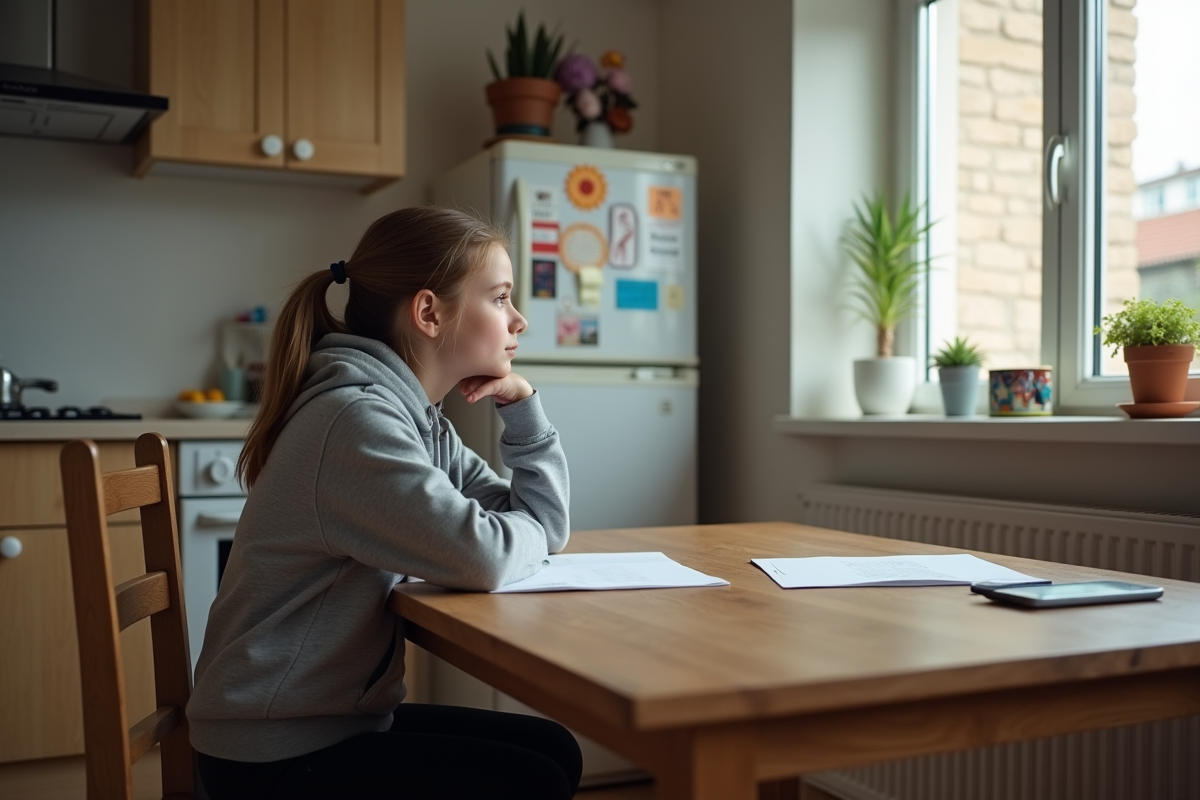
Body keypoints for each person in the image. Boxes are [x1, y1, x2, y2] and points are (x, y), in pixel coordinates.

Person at [187, 206, 581, 800]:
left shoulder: (414, 418)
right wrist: (512, 532)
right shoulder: (356, 419)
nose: (518, 320)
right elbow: (485, 556)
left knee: (554, 749)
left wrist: (521, 406)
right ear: (429, 312)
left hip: (323, 721)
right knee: (535, 779)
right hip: (272, 752)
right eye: (500, 298)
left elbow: (545, 526)